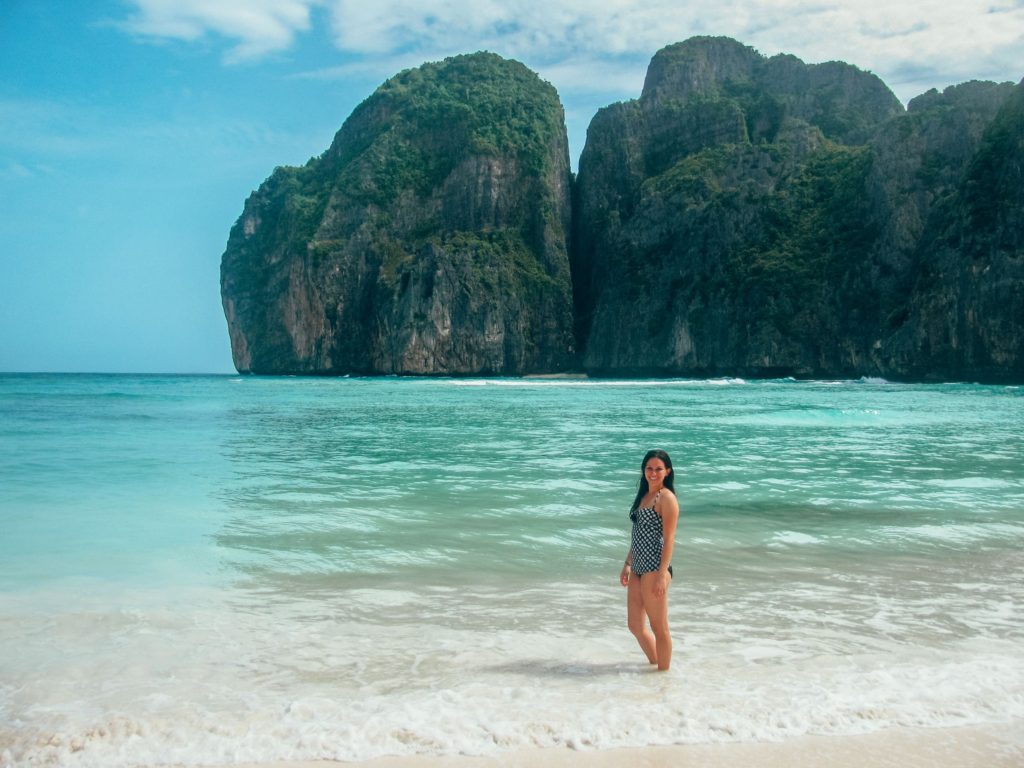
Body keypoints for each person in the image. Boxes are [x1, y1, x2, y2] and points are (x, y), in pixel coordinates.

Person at [619, 449, 680, 671]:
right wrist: (627, 564)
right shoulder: (643, 496)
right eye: (649, 468)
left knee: (659, 627)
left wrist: (663, 574)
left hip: (655, 567)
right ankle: (657, 668)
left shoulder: (666, 498)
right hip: (637, 567)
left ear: (667, 471)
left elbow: (670, 538)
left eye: (658, 469)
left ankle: (664, 676)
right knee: (635, 625)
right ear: (644, 470)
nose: (653, 473)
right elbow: (638, 535)